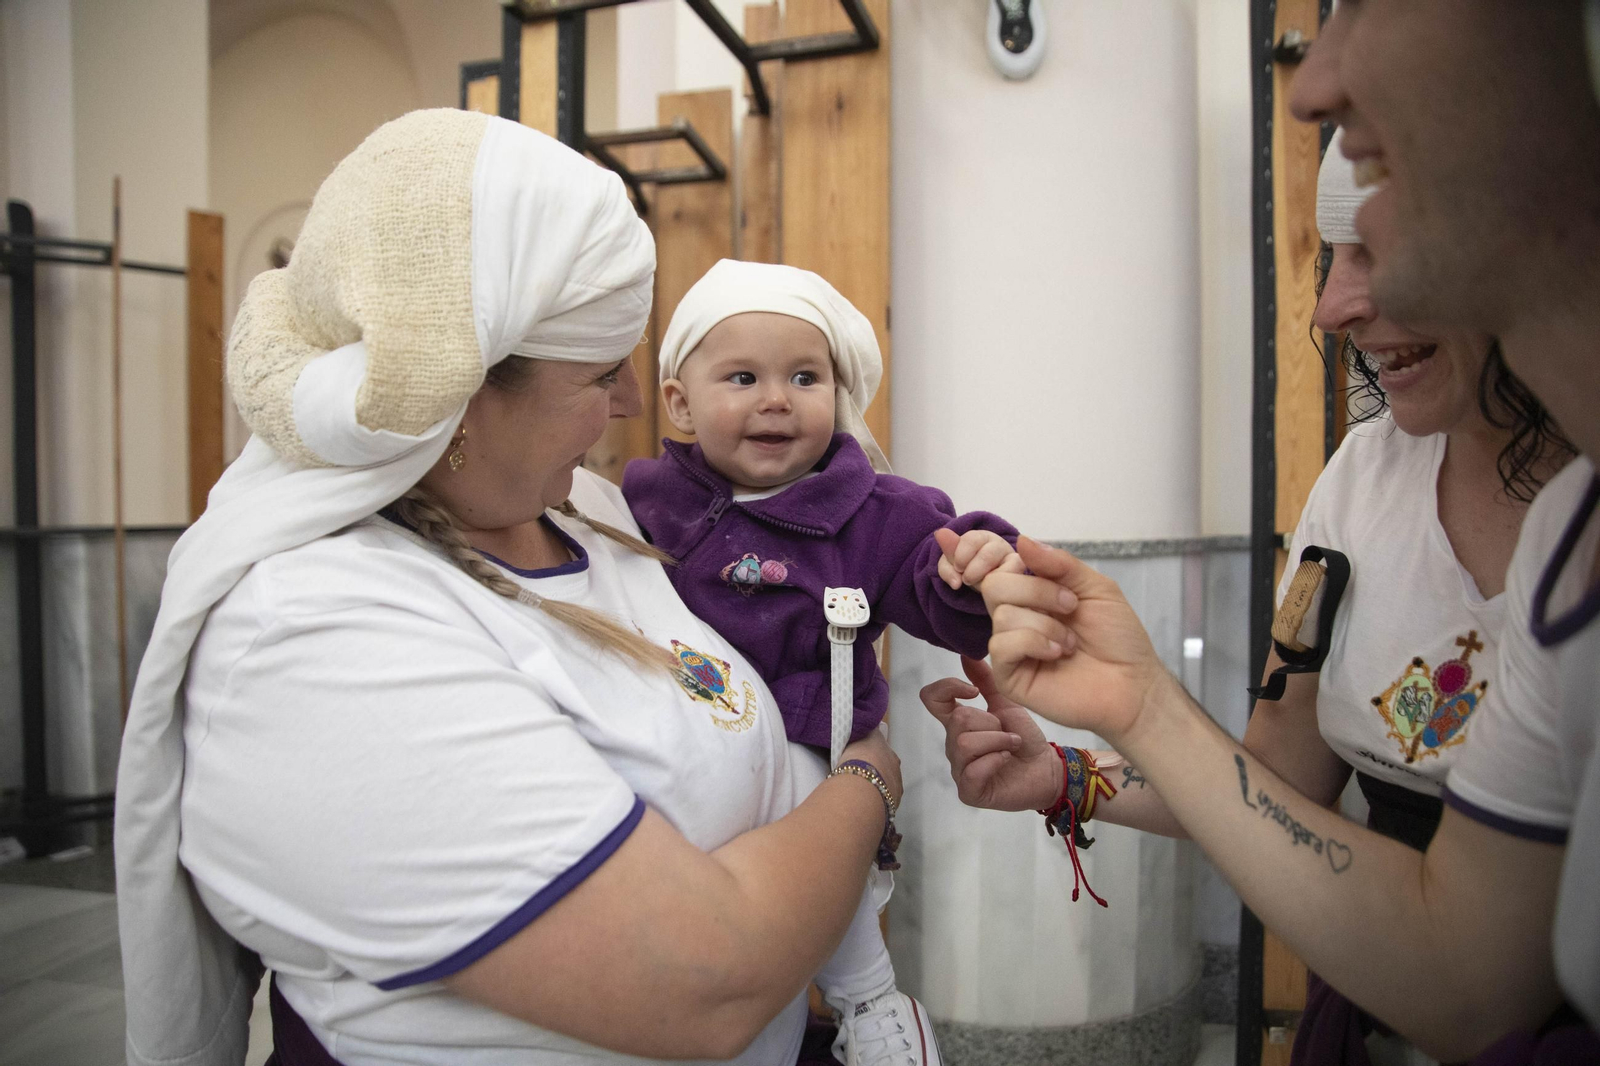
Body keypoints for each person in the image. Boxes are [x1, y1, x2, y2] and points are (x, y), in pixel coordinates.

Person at [114, 109, 904, 1066]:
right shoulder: (312, 640)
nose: (631, 400)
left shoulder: (590, 510)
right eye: (601, 371)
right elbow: (711, 977)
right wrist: (867, 781)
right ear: (459, 396)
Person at [926, 2, 1600, 1060]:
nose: (1333, 310)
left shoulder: (1570, 519)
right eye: (1331, 258)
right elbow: (1274, 788)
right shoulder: (1365, 483)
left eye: (1376, 246)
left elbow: (1474, 975)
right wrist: (1072, 773)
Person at [621, 258, 1020, 1066]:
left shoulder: (872, 512)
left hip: (810, 741)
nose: (777, 398)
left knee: (823, 855)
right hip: (680, 743)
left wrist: (972, 571)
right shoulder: (647, 499)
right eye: (743, 377)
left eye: (804, 377)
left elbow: (929, 578)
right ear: (680, 402)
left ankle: (870, 1001)